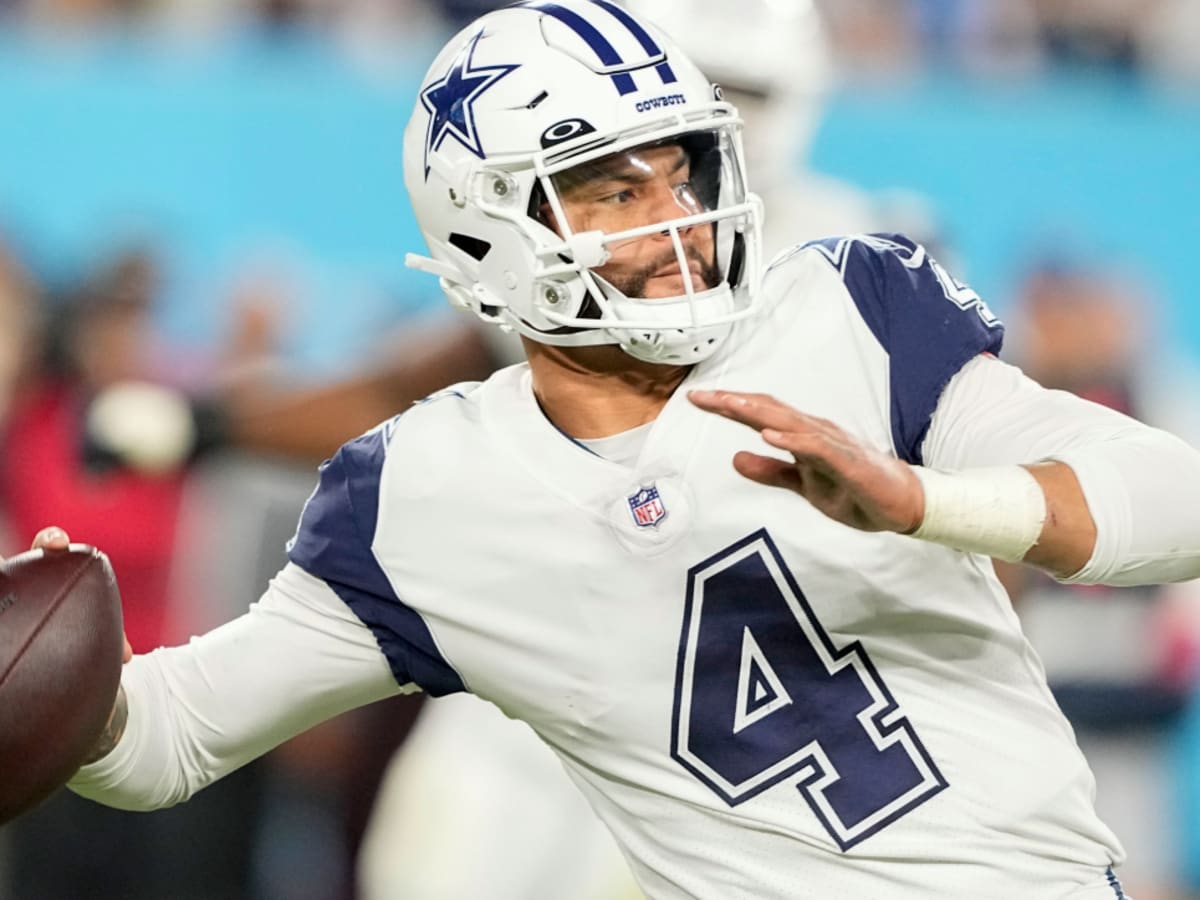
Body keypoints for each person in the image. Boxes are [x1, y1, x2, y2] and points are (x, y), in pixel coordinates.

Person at [19, 2, 1200, 897]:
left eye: (678, 167)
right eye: (607, 190)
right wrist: (53, 677)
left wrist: (931, 503)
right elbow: (167, 738)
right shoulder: (422, 495)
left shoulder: (853, 310)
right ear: (487, 228)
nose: (672, 217)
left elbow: (1177, 501)